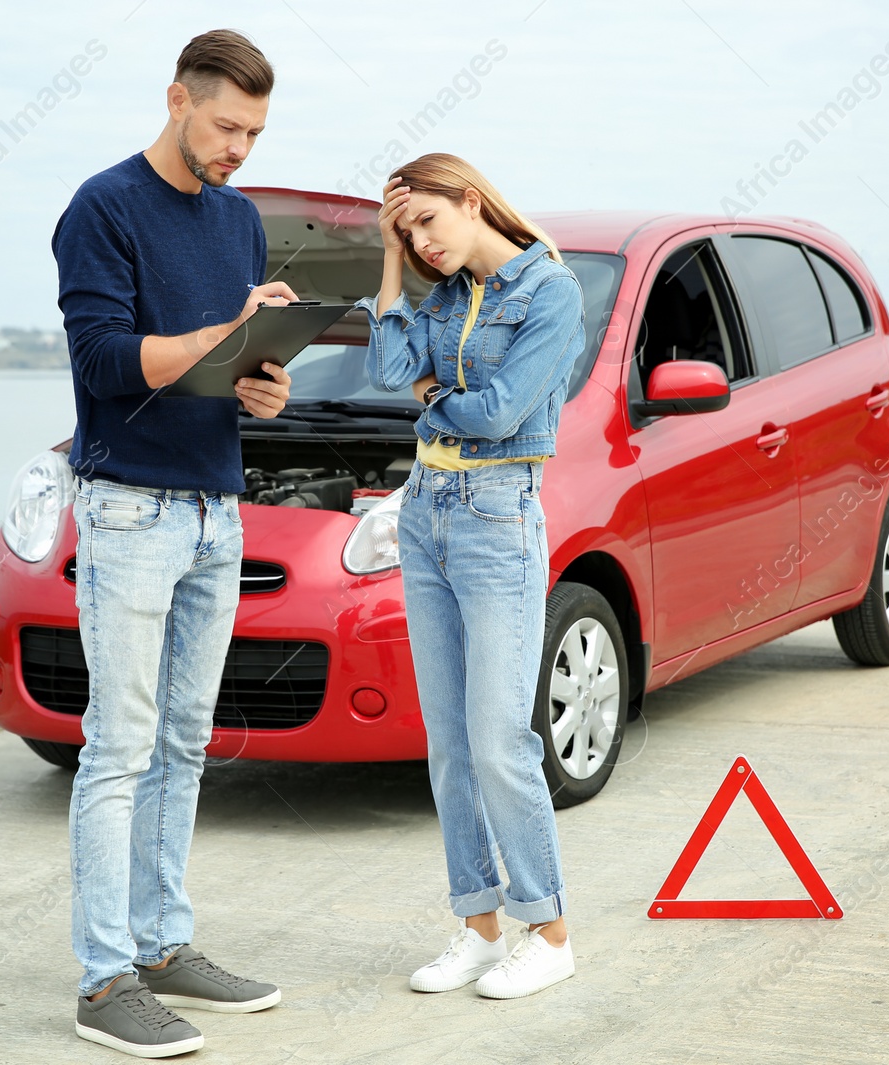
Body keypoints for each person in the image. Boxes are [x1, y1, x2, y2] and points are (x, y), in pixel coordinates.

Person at [50, 28, 298, 1058]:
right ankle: (105, 983)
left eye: (254, 132)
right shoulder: (101, 209)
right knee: (119, 744)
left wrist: (264, 383)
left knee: (188, 743)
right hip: (129, 510)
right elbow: (108, 363)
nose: (239, 149)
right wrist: (222, 331)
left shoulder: (240, 220)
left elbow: (232, 368)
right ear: (176, 99)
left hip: (214, 506)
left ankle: (163, 945)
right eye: (226, 126)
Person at [353, 153, 586, 999]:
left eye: (428, 221)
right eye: (406, 232)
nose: (423, 241)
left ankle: (549, 930)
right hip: (424, 513)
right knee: (448, 745)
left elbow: (499, 413)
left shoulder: (550, 293)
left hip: (497, 518)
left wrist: (427, 391)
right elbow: (383, 367)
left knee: (499, 739)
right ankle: (480, 926)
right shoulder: (444, 297)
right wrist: (387, 263)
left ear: (471, 198)